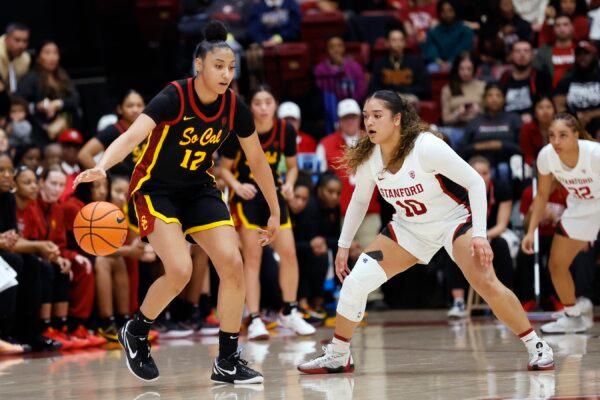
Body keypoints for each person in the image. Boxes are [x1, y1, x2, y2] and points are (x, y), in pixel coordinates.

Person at [74, 21, 277, 384]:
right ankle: (136, 330)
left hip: (199, 188)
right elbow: (134, 133)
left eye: (231, 67)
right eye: (218, 66)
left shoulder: (234, 107)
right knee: (180, 269)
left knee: (232, 263)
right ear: (199, 66)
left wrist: (275, 210)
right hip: (156, 190)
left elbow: (258, 161)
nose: (226, 74)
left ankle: (227, 361)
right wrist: (103, 165)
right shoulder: (174, 96)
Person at [297, 90, 554, 374]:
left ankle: (536, 345)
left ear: (397, 119)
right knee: (355, 283)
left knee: (487, 284)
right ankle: (339, 355)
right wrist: (344, 245)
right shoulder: (371, 154)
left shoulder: (426, 146)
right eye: (366, 115)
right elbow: (359, 200)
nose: (368, 121)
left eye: (377, 115)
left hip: (452, 222)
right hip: (408, 228)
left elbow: (475, 183)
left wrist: (480, 234)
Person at [219, 85, 316, 340]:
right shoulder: (239, 129)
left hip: (273, 196)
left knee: (289, 253)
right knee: (253, 258)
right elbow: (224, 169)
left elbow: (293, 167)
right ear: (251, 106)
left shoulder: (285, 130)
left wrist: (290, 184)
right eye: (258, 103)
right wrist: (237, 186)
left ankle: (289, 310)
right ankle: (254, 318)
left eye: (268, 102)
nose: (263, 107)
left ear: (275, 104)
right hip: (248, 198)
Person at [521, 113, 600, 334]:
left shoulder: (594, 154)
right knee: (556, 265)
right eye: (552, 136)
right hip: (581, 206)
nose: (556, 141)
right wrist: (530, 231)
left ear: (576, 135)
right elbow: (542, 195)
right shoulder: (546, 156)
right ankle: (572, 316)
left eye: (563, 135)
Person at [447, 156, 515, 318]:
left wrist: (482, 237)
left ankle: (504, 303)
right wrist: (472, 238)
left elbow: (502, 225)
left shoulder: (501, 188)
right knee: (453, 246)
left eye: (485, 173)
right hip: (468, 233)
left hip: (495, 233)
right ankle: (459, 302)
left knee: (501, 245)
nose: (481, 177)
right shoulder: (457, 190)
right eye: (476, 173)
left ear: (490, 174)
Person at [16, 41, 80, 146]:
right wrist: (37, 107)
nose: (52, 57)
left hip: (67, 128)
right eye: (47, 53)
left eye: (55, 53)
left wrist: (59, 104)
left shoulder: (62, 76)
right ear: (38, 57)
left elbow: (75, 98)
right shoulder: (31, 78)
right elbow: (18, 101)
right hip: (42, 131)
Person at [78, 90, 146, 177]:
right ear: (120, 109)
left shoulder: (148, 128)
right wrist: (104, 179)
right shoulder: (112, 130)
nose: (135, 109)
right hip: (120, 185)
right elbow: (84, 154)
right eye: (130, 106)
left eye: (139, 105)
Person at [462, 83, 522, 183]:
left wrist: (501, 145)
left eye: (498, 95)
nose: (494, 99)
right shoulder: (475, 121)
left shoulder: (513, 119)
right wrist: (482, 146)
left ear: (504, 99)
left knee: (503, 169)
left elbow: (521, 148)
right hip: (479, 165)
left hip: (507, 165)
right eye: (490, 95)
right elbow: (463, 150)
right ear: (484, 99)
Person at [369, 22, 430, 99]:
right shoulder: (380, 64)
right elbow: (373, 89)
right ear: (387, 43)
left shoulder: (416, 62)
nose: (398, 43)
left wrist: (404, 91)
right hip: (387, 99)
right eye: (394, 40)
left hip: (408, 97)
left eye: (401, 40)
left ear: (405, 42)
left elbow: (424, 88)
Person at [554, 40, 600, 138]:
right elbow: (559, 106)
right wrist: (574, 117)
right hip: (573, 121)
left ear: (594, 56)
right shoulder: (567, 78)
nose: (582, 57)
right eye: (579, 54)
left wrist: (590, 115)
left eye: (586, 54)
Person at [440, 52, 485, 148]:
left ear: (474, 69)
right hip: (456, 128)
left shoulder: (483, 86)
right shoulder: (448, 89)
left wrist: (479, 111)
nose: (465, 72)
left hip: (478, 127)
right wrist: (457, 114)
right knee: (440, 133)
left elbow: (492, 114)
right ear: (457, 69)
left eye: (469, 69)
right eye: (462, 69)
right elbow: (445, 119)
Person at [500, 41, 552, 124]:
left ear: (532, 55)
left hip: (533, 123)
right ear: (512, 55)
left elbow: (546, 103)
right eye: (517, 51)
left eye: (526, 51)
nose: (522, 54)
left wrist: (533, 116)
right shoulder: (505, 77)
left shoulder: (542, 77)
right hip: (506, 123)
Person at [421, 0, 474, 72]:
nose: (447, 14)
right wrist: (439, 62)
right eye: (443, 11)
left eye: (450, 10)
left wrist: (450, 62)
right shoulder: (433, 31)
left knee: (462, 67)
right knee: (430, 69)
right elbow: (431, 49)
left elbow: (463, 49)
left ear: (456, 10)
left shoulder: (465, 30)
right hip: (437, 63)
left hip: (458, 62)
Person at [314, 36, 368, 103]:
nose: (336, 49)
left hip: (352, 103)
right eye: (332, 47)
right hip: (330, 105)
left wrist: (352, 102)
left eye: (339, 46)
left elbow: (361, 87)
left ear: (344, 48)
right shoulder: (320, 69)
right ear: (327, 49)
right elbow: (321, 91)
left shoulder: (354, 66)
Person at [533, 14, 576, 89]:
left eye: (565, 24)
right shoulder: (544, 50)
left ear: (572, 27)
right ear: (553, 29)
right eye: (558, 25)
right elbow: (536, 77)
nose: (562, 28)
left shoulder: (581, 50)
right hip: (550, 94)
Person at [520, 96, 556, 166]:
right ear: (535, 113)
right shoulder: (527, 128)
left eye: (548, 107)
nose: (545, 111)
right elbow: (527, 154)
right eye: (541, 108)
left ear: (554, 111)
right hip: (534, 165)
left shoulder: (560, 128)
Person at [0, 23, 31, 93]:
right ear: (6, 39)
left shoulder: (25, 59)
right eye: (17, 40)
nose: (21, 45)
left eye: (25, 41)